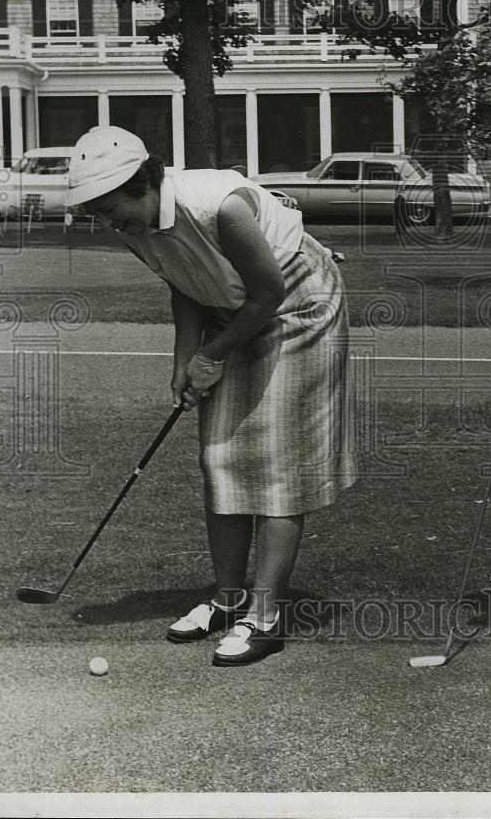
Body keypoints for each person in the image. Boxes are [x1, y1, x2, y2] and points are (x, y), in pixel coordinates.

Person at [65, 126, 358, 666]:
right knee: (219, 456)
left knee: (278, 465)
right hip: (237, 312)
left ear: (144, 182)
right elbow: (185, 283)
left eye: (109, 208)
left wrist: (213, 354)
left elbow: (269, 294)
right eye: (97, 212)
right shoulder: (134, 224)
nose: (107, 222)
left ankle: (265, 618)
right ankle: (228, 599)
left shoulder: (219, 205)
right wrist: (184, 361)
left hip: (299, 305)